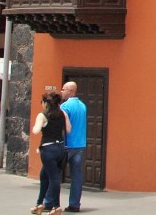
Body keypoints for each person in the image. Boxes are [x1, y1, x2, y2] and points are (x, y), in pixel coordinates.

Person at [31, 91, 71, 215]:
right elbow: (68, 129)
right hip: (61, 148)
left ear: (45, 103)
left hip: (48, 150)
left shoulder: (42, 115)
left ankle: (56, 206)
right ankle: (39, 204)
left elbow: (36, 131)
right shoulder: (62, 113)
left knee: (54, 178)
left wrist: (39, 125)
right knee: (44, 175)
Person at [61, 81, 88, 213]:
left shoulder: (65, 106)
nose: (62, 91)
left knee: (54, 173)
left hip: (67, 144)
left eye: (64, 89)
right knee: (76, 175)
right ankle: (74, 204)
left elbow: (62, 126)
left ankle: (50, 202)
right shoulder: (83, 106)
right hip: (80, 144)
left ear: (70, 91)